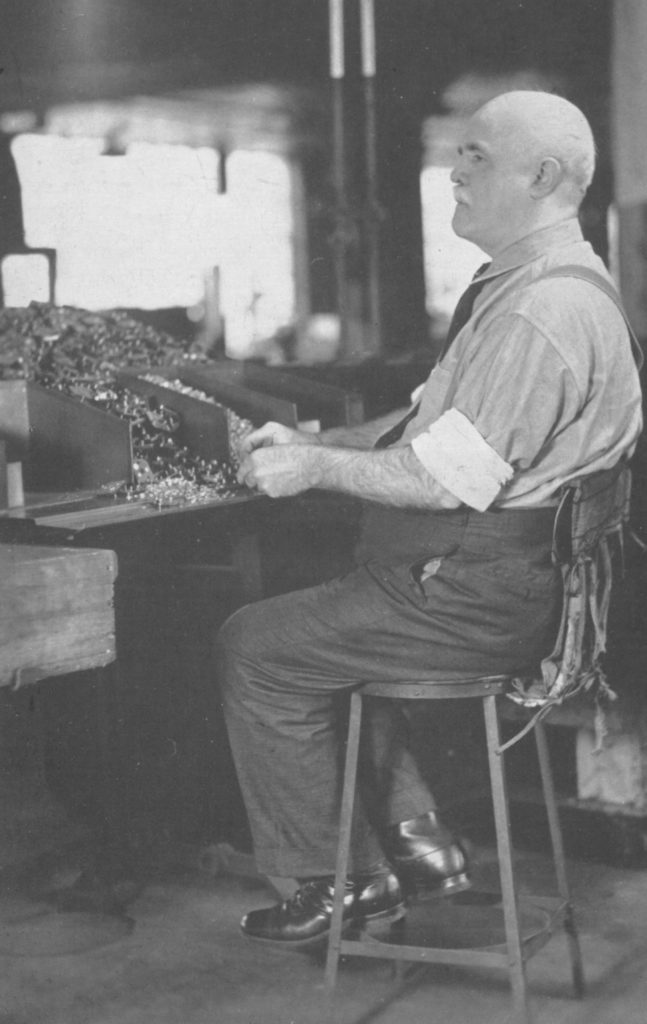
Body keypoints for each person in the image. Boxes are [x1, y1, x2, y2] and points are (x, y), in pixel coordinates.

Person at [217, 90, 643, 947]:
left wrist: (309, 469)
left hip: (484, 594)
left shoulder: (540, 311)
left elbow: (441, 477)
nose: (453, 171)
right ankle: (422, 850)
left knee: (255, 645)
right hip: (491, 578)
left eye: (476, 156)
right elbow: (421, 425)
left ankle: (333, 883)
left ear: (543, 175)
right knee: (323, 629)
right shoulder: (527, 283)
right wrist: (311, 438)